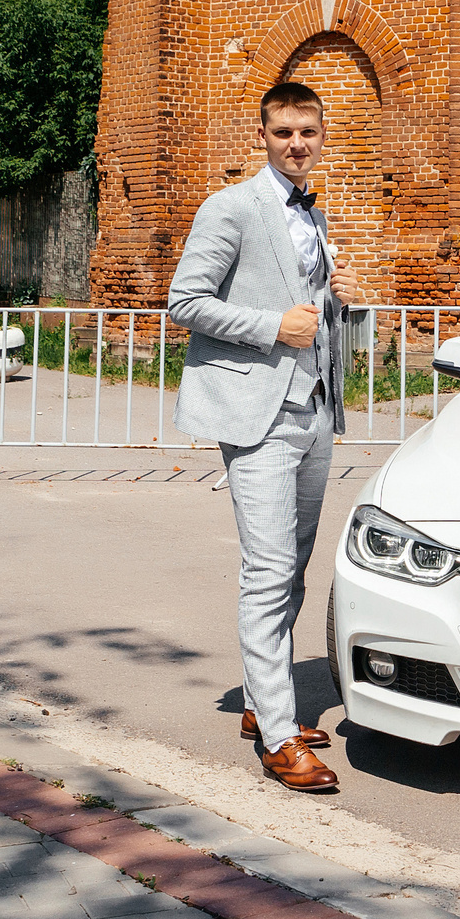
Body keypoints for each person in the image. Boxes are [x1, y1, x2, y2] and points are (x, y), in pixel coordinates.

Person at [167, 81, 354, 794]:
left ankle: (259, 699)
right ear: (263, 135)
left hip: (315, 410)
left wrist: (337, 303)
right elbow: (186, 301)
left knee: (294, 565)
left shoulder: (316, 213)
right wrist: (273, 325)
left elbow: (311, 305)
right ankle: (279, 735)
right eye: (284, 132)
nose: (297, 144)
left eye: (308, 132)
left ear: (322, 135)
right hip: (257, 413)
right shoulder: (231, 207)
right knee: (269, 569)